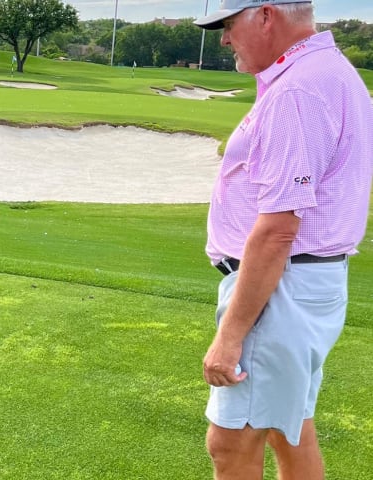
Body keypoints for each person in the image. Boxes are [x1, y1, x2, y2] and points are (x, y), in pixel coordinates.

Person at [194, 1, 373, 479]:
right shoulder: (326, 72)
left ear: (266, 16)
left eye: (229, 25)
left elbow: (277, 231)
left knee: (231, 444)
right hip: (302, 283)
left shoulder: (299, 89)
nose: (225, 39)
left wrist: (229, 339)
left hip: (281, 286)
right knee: (287, 429)